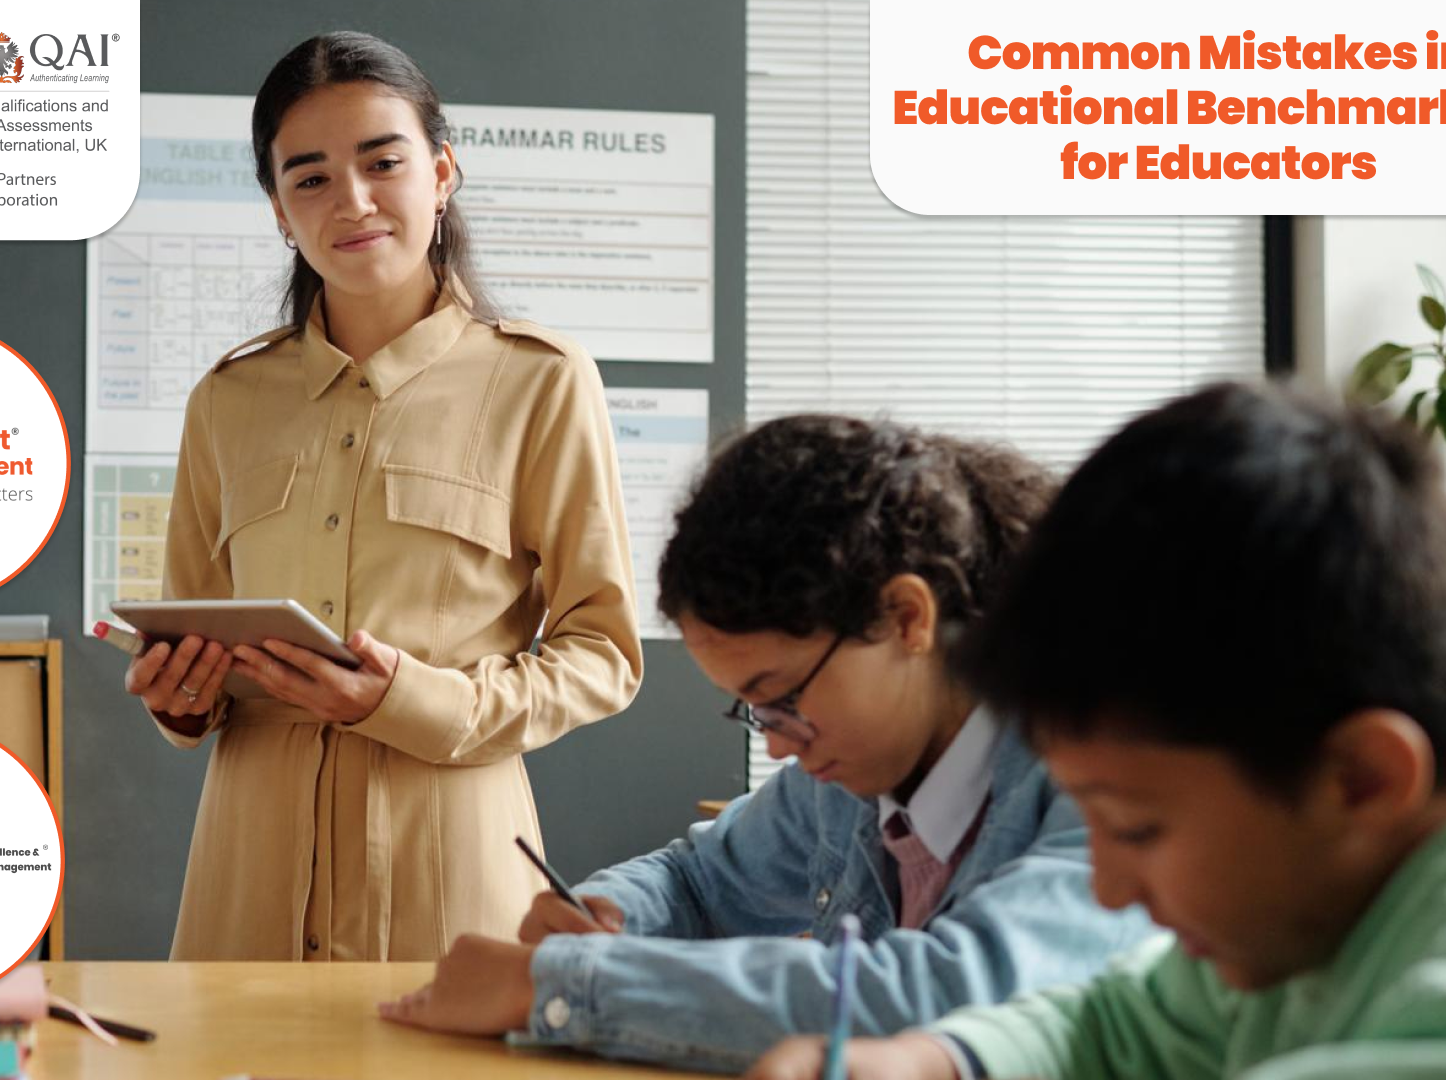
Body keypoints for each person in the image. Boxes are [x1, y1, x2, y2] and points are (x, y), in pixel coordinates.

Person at [746, 383, 1446, 1080]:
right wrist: (933, 1062)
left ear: (1363, 778)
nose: (1108, 890)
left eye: (1137, 826)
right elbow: (1118, 1028)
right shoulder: (1309, 902)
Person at [379, 415, 1159, 1071]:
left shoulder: (1102, 773)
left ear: (906, 619)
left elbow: (949, 994)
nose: (781, 749)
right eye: (754, 711)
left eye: (784, 698)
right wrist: (613, 912)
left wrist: (561, 986)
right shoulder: (847, 778)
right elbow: (696, 882)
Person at [121, 30, 642, 962]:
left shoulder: (542, 380)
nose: (352, 201)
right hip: (249, 877)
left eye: (382, 162)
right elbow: (197, 634)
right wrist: (181, 698)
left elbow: (602, 654)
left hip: (450, 868)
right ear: (279, 210)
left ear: (441, 174)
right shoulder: (227, 399)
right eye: (310, 177)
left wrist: (415, 701)